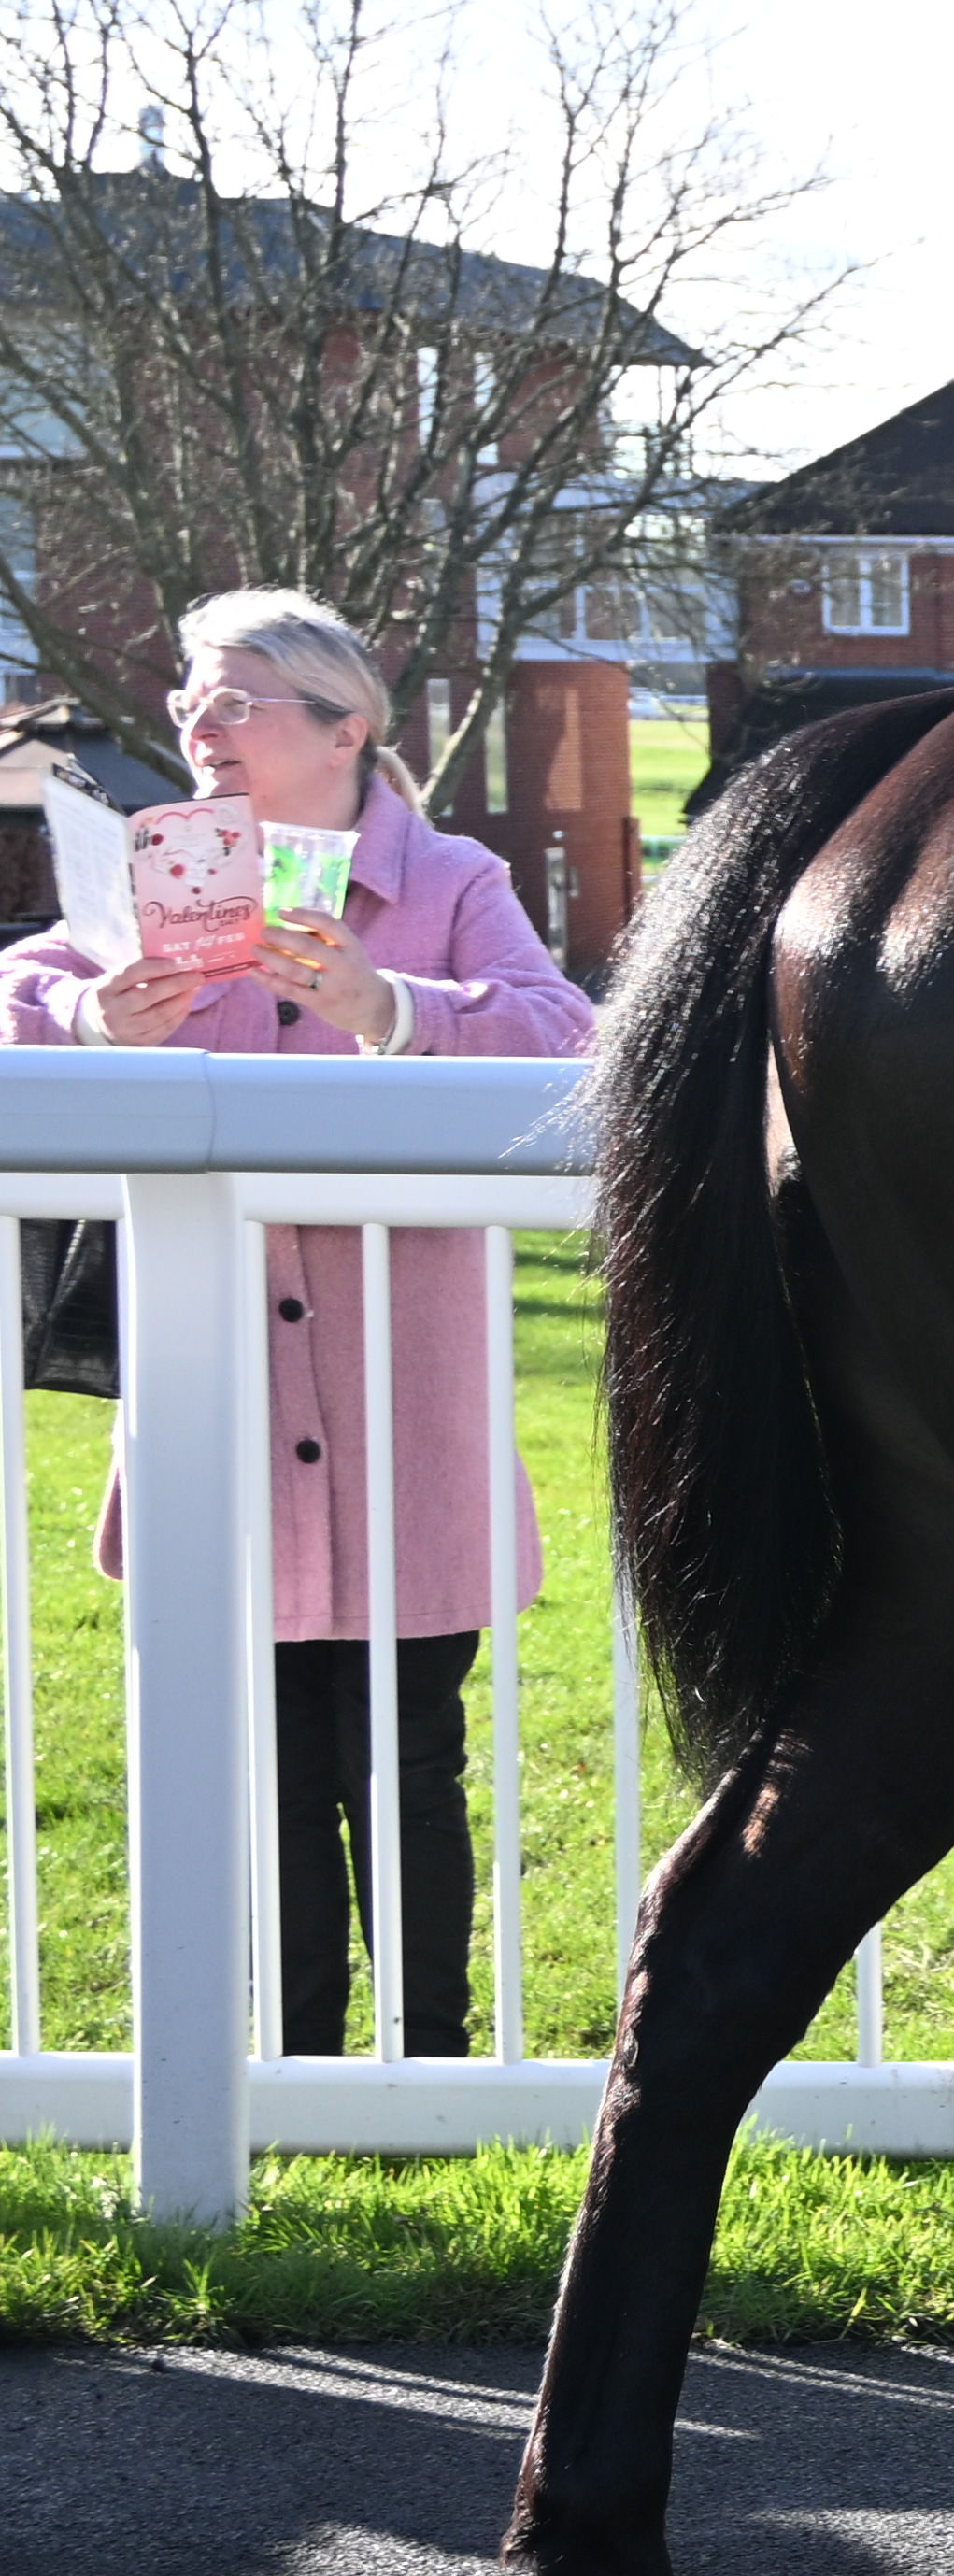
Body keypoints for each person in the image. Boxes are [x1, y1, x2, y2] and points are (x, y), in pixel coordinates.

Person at [0, 589, 591, 2057]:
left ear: (346, 729)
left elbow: (566, 1035)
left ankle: (432, 2065)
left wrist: (391, 1005)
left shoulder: (447, 878)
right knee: (258, 1756)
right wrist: (89, 1025)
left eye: (234, 704)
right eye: (190, 703)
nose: (197, 730)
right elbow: (19, 992)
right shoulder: (145, 877)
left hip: (411, 1405)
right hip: (218, 1408)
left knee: (410, 1754)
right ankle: (297, 2058)